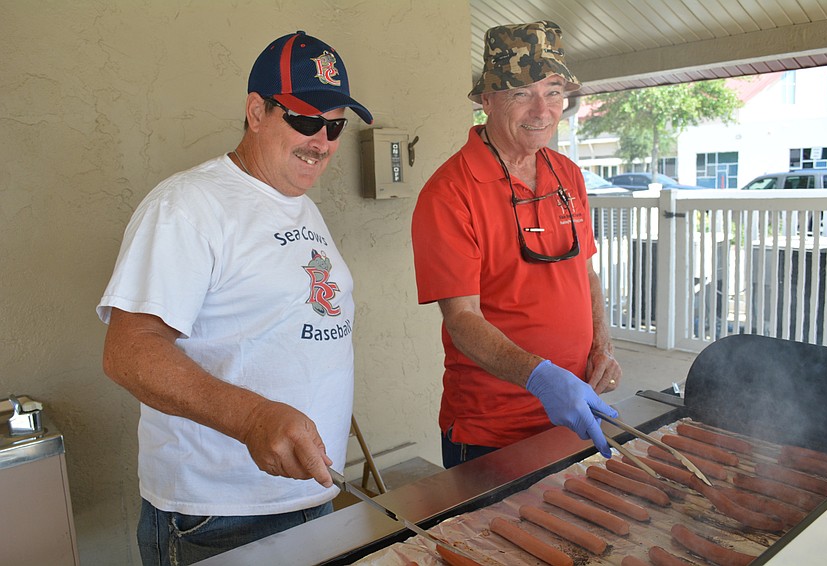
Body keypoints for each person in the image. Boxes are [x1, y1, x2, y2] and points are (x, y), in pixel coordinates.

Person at [97, 31, 372, 565]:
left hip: (310, 498)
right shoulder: (188, 205)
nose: (322, 140)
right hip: (219, 517)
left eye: (334, 125)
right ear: (255, 111)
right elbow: (128, 351)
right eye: (304, 119)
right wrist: (251, 417)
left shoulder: (299, 205)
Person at [411, 21, 622, 469]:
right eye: (521, 92)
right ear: (487, 99)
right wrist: (542, 378)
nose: (542, 109)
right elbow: (462, 318)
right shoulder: (449, 192)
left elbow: (584, 272)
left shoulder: (568, 173)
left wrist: (601, 348)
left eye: (553, 91)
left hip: (574, 416)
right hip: (493, 431)